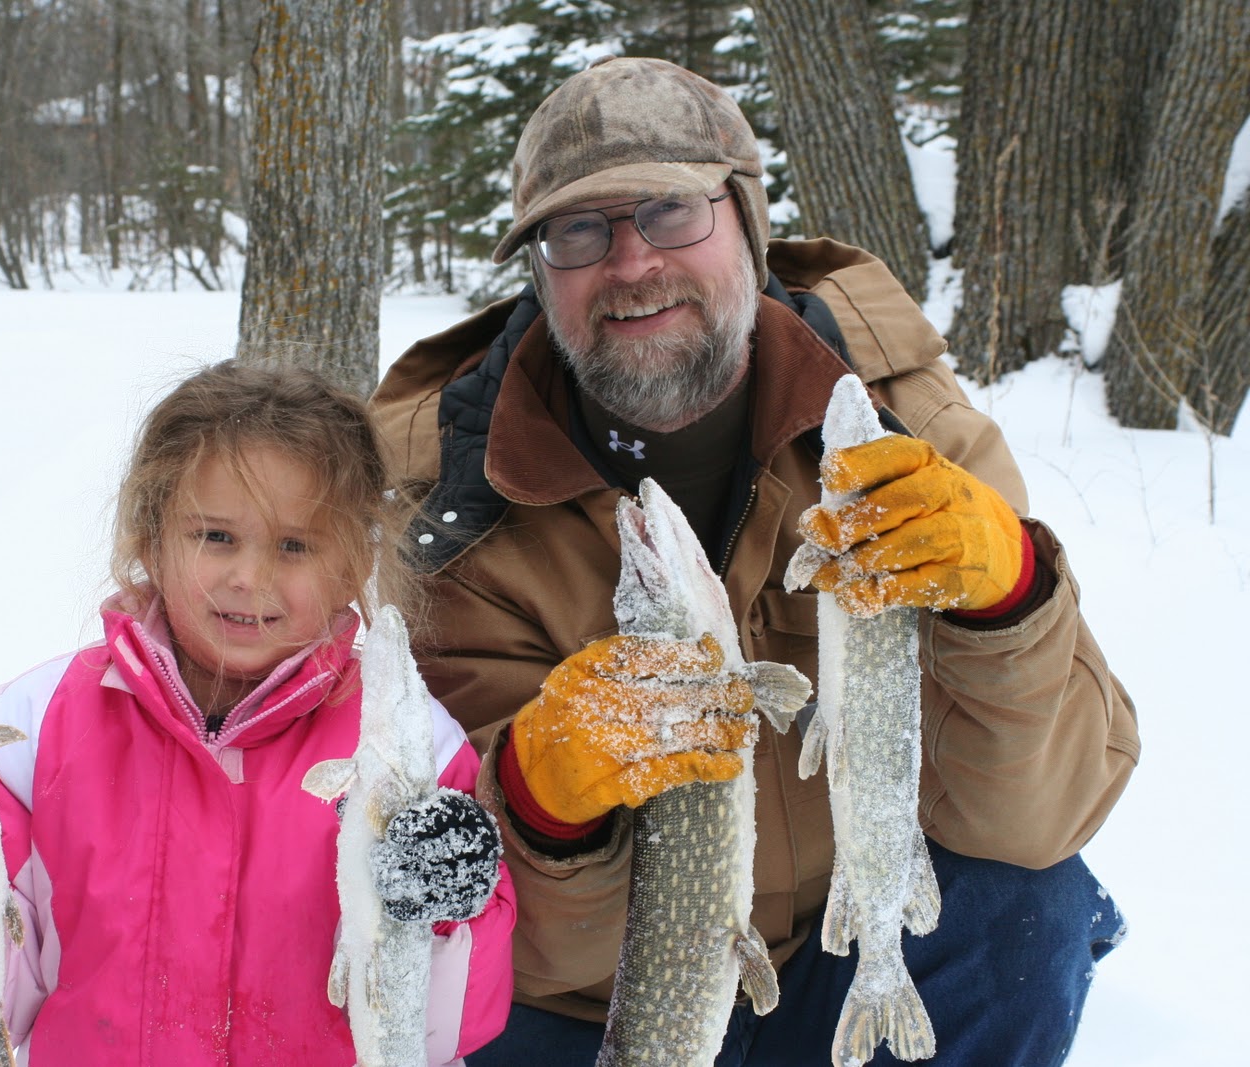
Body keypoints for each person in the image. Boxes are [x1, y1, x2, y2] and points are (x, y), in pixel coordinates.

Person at [371, 56, 1138, 1066]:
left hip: (845, 933)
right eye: (577, 231)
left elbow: (1043, 812)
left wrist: (1007, 595)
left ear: (746, 220)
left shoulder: (908, 428)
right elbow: (515, 943)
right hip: (608, 997)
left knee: (1028, 900)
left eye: (671, 211)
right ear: (540, 269)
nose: (632, 261)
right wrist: (544, 806)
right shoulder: (448, 517)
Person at [0, 361, 517, 1066]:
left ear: (351, 563)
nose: (248, 577)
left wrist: (442, 905)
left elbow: (444, 1026)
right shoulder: (31, 735)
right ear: (151, 535)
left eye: (294, 545)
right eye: (216, 536)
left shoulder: (404, 750)